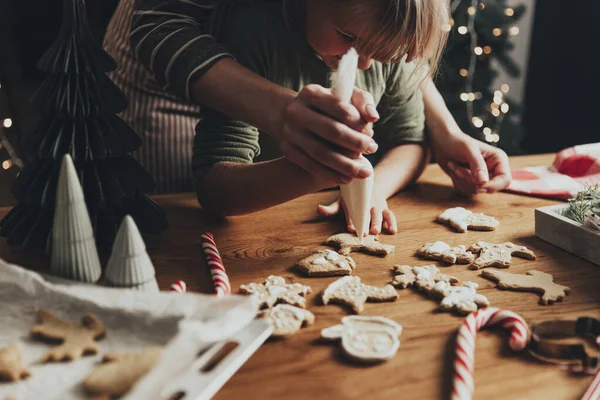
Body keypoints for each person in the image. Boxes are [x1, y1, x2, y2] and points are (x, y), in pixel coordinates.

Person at [103, 0, 512, 231]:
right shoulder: (257, 36)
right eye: (350, 40)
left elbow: (389, 46)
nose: (363, 62)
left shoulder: (368, 38)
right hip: (164, 76)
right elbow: (214, 190)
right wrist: (310, 158)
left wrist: (442, 129)